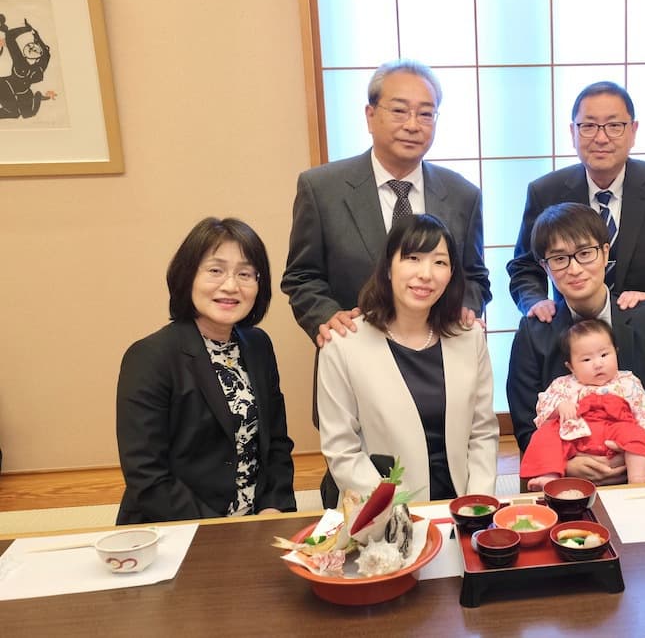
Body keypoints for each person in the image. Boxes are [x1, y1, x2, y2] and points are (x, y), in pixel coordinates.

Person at [280, 59, 491, 506]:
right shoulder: (322, 188)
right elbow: (301, 276)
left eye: (426, 112)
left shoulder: (463, 193)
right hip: (362, 366)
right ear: (370, 114)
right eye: (399, 110)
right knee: (359, 489)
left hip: (438, 356)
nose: (414, 124)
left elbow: (474, 274)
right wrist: (329, 320)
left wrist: (465, 306)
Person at [116, 218, 296, 524]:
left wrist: (272, 509)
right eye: (215, 270)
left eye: (245, 273)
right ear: (188, 276)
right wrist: (222, 531)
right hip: (177, 530)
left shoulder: (258, 345)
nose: (231, 285)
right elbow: (147, 476)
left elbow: (276, 443)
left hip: (255, 524)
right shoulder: (150, 356)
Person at [508, 202, 645, 482]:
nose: (574, 269)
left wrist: (640, 453)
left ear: (604, 252)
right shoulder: (534, 332)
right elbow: (525, 422)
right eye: (559, 259)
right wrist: (567, 462)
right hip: (571, 483)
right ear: (545, 267)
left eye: (585, 253)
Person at [317, 214, 498, 502]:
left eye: (440, 262)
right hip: (381, 513)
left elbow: (483, 433)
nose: (426, 274)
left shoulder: (469, 338)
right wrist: (394, 513)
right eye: (412, 258)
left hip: (461, 507)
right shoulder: (342, 344)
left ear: (451, 274)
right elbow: (342, 450)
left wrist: (476, 505)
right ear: (388, 267)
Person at [507, 81, 645, 323]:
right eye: (588, 126)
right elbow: (524, 267)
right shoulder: (545, 192)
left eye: (614, 126)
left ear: (633, 131)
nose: (601, 137)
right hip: (571, 333)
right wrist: (536, 300)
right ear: (573, 132)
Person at [520, 319, 645, 490]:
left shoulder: (628, 381)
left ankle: (638, 477)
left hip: (617, 429)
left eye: (604, 355)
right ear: (570, 366)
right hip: (577, 434)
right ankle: (549, 475)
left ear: (616, 352)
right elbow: (544, 404)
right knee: (546, 433)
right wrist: (560, 406)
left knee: (638, 435)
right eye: (586, 359)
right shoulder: (563, 384)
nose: (598, 364)